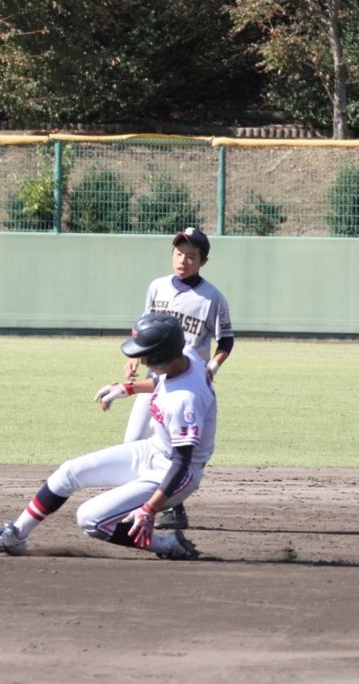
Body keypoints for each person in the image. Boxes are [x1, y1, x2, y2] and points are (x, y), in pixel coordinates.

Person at [0, 313, 214, 560]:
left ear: (161, 355)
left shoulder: (185, 402)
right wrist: (128, 388)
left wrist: (150, 508)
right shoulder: (187, 356)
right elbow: (167, 382)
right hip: (154, 449)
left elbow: (182, 463)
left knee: (91, 519)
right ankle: (15, 536)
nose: (139, 358)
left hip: (174, 473)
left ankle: (168, 545)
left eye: (144, 353)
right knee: (69, 472)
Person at [95, 227, 233, 531]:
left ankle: (166, 507)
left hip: (186, 383)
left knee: (173, 448)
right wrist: (135, 357)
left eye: (191, 256)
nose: (183, 260)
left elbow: (226, 341)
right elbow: (144, 328)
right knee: (133, 442)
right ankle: (145, 505)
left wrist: (212, 368)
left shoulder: (212, 297)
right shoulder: (157, 287)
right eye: (179, 253)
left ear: (203, 261)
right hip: (153, 378)